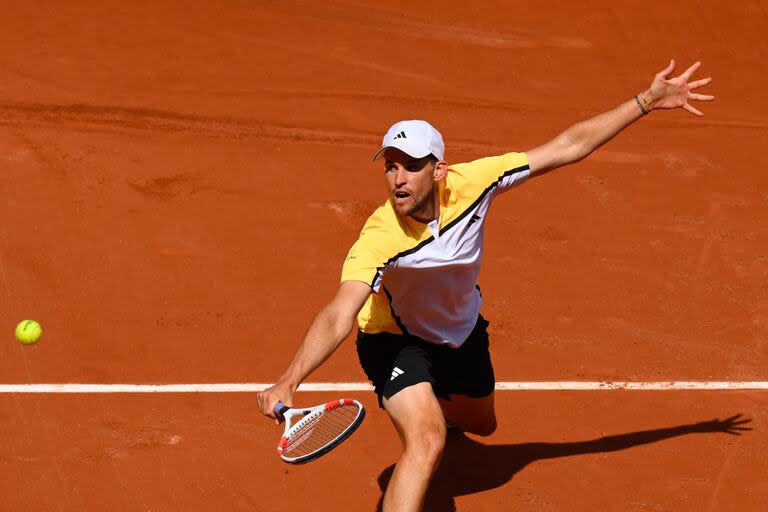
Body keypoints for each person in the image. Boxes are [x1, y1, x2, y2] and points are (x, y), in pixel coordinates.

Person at [257, 60, 713, 511]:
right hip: (395, 342)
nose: (398, 178)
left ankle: (438, 399)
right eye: (390, 166)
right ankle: (422, 409)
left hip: (460, 333)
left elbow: (568, 146)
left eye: (411, 166)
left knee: (482, 425)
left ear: (439, 170)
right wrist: (290, 379)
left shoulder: (476, 181)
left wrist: (646, 102)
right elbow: (340, 312)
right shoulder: (379, 238)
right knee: (428, 440)